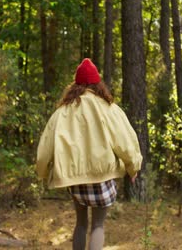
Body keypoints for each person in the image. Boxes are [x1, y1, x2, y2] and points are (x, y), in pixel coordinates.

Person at [36, 58, 142, 250]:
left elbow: (44, 149)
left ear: (75, 85)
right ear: (97, 83)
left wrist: (42, 173)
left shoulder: (62, 111)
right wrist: (133, 168)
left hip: (76, 180)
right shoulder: (109, 109)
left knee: (81, 224)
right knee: (98, 226)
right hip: (103, 178)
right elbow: (126, 142)